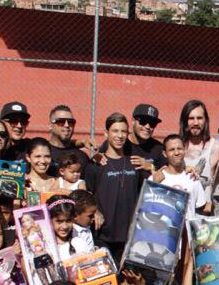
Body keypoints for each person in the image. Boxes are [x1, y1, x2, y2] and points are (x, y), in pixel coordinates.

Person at [83, 113, 146, 263]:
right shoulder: (96, 164)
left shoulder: (135, 162)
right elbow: (86, 193)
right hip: (104, 235)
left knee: (127, 282)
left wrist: (152, 167)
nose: (120, 136)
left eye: (123, 131)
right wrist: (95, 210)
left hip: (130, 235)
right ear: (106, 133)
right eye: (115, 131)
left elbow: (150, 188)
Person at [151, 133, 209, 217]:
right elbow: (148, 207)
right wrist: (154, 185)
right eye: (172, 149)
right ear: (164, 153)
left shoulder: (192, 177)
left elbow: (202, 207)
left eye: (179, 148)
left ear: (184, 150)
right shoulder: (156, 178)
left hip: (187, 229)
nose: (177, 152)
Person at [180, 100, 219, 191]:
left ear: (205, 120)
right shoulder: (176, 147)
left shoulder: (216, 147)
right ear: (184, 121)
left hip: (205, 204)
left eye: (199, 118)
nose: (196, 123)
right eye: (191, 118)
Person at [130, 102, 166, 167]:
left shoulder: (159, 148)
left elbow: (168, 173)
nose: (147, 127)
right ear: (133, 121)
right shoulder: (119, 145)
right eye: (143, 121)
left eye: (152, 123)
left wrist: (151, 167)